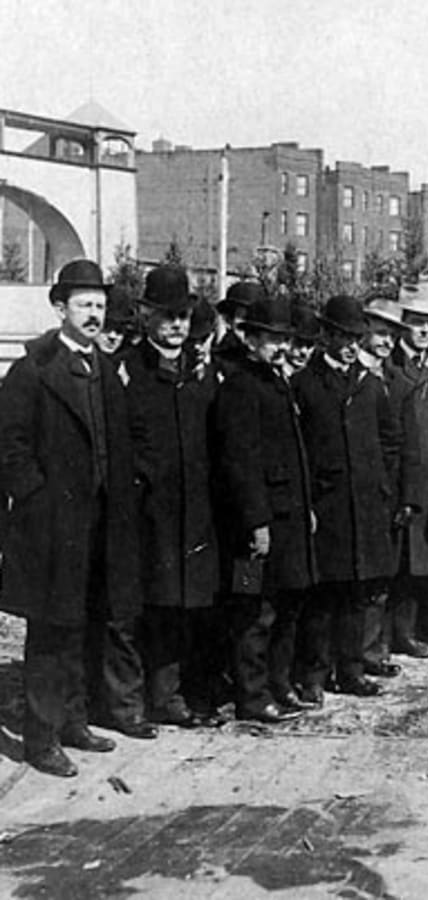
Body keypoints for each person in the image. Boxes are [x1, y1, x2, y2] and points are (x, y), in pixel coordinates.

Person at [0, 259, 144, 776]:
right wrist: (37, 498)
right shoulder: (33, 370)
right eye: (84, 305)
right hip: (52, 529)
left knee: (88, 623)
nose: (94, 314)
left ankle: (75, 722)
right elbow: (9, 445)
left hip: (101, 524)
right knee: (50, 632)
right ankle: (40, 739)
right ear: (60, 308)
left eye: (100, 306)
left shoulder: (105, 368)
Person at [213, 295, 317, 721]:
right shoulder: (240, 387)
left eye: (283, 338)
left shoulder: (277, 381)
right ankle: (252, 696)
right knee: (253, 612)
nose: (279, 346)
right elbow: (240, 462)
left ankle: (279, 683)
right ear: (248, 338)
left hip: (288, 519)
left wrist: (305, 506)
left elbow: (294, 453)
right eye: (270, 338)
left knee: (287, 607)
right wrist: (256, 522)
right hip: (254, 530)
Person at [126, 265, 221, 728]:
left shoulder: (203, 374)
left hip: (198, 511)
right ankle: (154, 697)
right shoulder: (129, 372)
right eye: (167, 317)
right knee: (156, 606)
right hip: (150, 511)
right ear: (146, 316)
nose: (177, 325)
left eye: (183, 316)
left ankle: (187, 691)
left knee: (192, 606)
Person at [293, 295, 402, 696]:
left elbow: (390, 440)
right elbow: (298, 447)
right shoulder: (305, 384)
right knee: (324, 595)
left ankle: (351, 670)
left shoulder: (370, 385)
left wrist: (381, 485)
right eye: (341, 335)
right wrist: (309, 499)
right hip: (328, 506)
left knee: (358, 591)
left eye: (355, 337)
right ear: (326, 335)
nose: (349, 344)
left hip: (366, 504)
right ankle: (314, 675)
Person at [386, 284, 428, 656]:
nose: (424, 330)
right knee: (392, 557)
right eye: (416, 323)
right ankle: (380, 638)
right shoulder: (391, 363)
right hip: (396, 469)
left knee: (418, 560)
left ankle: (406, 632)